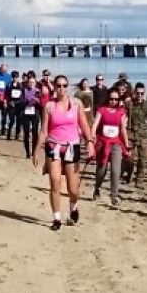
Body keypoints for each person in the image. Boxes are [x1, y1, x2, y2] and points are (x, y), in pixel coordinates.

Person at [36, 75, 92, 231]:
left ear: (67, 87)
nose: (61, 88)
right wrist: (36, 151)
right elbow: (44, 130)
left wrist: (90, 142)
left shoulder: (76, 104)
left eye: (64, 85)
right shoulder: (49, 106)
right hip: (53, 147)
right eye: (58, 85)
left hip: (71, 147)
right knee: (55, 183)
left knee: (73, 189)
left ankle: (74, 207)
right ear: (54, 87)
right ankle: (56, 218)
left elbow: (84, 124)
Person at [90, 86, 131, 207]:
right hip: (103, 143)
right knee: (101, 170)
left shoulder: (121, 111)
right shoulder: (102, 110)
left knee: (115, 170)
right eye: (111, 99)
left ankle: (114, 195)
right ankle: (97, 188)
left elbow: (123, 129)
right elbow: (95, 125)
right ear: (108, 98)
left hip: (116, 144)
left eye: (116, 99)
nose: (113, 101)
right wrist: (91, 138)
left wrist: (127, 144)